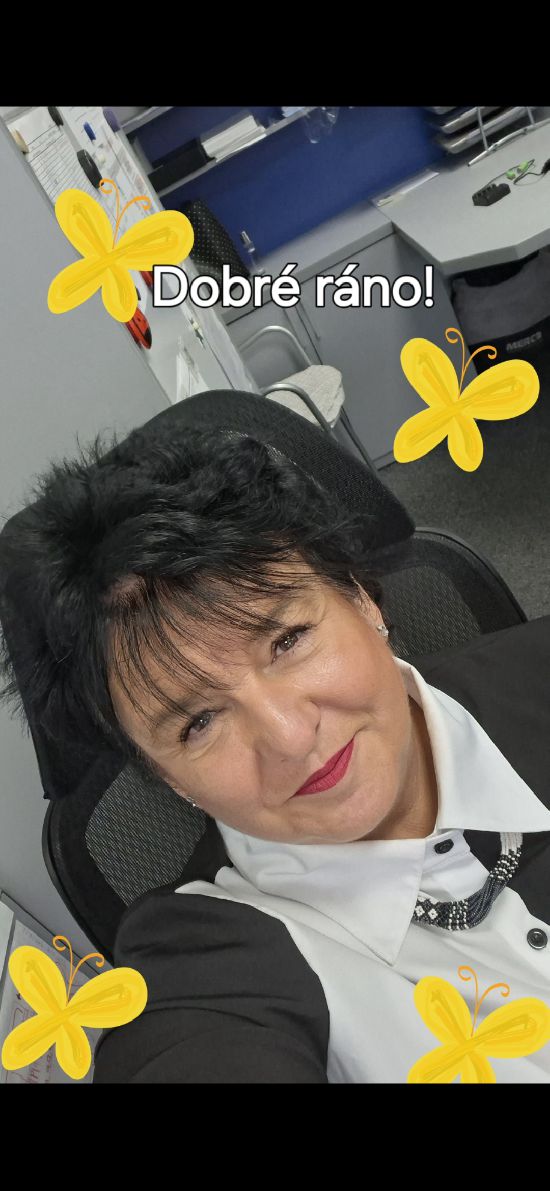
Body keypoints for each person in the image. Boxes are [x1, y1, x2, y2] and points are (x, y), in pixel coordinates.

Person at [2, 421, 550, 1084]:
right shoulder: (207, 970)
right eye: (199, 722)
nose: (290, 737)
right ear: (166, 777)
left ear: (360, 598)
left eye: (287, 641)